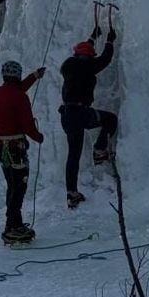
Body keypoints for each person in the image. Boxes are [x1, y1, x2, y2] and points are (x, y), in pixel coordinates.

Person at [59, 27, 119, 209]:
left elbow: (84, 51)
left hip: (67, 115)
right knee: (110, 119)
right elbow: (105, 59)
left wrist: (93, 36)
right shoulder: (88, 66)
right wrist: (109, 40)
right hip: (81, 113)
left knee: (73, 154)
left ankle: (71, 192)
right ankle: (100, 149)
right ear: (89, 57)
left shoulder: (68, 65)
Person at [0, 59, 45, 243]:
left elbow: (15, 91)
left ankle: (14, 223)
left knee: (12, 185)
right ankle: (12, 227)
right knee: (19, 187)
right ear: (17, 75)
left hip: (0, 147)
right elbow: (27, 124)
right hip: (15, 148)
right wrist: (38, 136)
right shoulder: (20, 97)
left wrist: (34, 76)